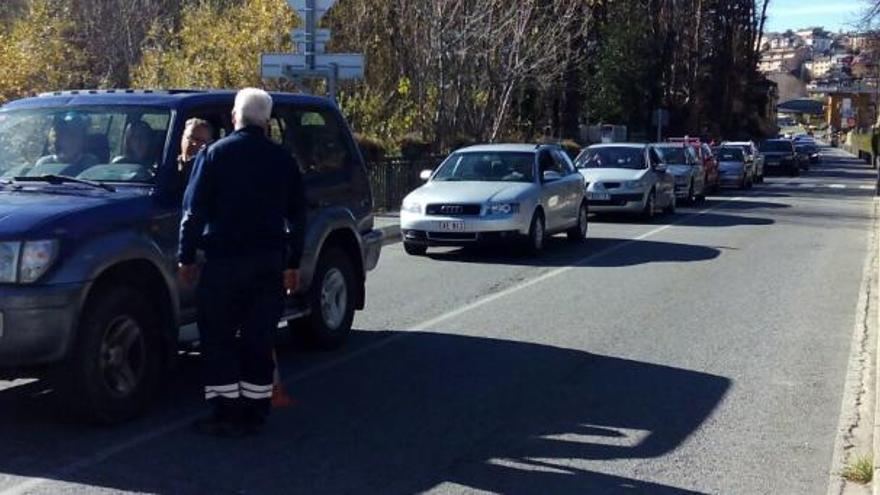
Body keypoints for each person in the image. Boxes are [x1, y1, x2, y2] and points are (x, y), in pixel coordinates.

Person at [179, 88, 306, 437]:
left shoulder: (215, 156)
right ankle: (255, 410)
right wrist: (292, 262)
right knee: (259, 336)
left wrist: (185, 257)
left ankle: (225, 411)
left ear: (235, 116)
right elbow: (298, 216)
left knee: (218, 337)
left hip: (223, 263)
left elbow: (193, 213)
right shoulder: (283, 159)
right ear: (266, 121)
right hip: (268, 263)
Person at [33, 113, 99, 176]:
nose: (73, 141)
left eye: (76, 136)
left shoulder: (89, 162)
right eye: (69, 136)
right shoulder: (45, 164)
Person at [177, 118, 214, 189]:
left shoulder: (208, 173)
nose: (194, 144)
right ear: (182, 138)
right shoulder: (165, 163)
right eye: (191, 138)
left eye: (201, 141)